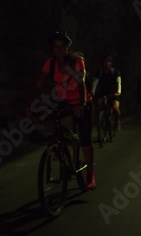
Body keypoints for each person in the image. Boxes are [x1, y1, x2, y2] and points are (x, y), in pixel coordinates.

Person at [26, 31, 95, 189]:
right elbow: (38, 85)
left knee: (85, 141)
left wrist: (81, 105)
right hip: (64, 101)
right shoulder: (50, 64)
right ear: (52, 49)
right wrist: (29, 104)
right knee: (50, 119)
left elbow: (81, 83)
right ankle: (58, 147)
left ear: (68, 48)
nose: (59, 50)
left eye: (62, 46)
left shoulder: (77, 61)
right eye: (55, 47)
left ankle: (90, 174)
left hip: (82, 101)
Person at [92, 55, 122, 131]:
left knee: (115, 108)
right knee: (98, 106)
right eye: (105, 61)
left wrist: (118, 91)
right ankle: (99, 122)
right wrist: (93, 91)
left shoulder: (115, 71)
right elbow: (95, 82)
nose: (106, 63)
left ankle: (117, 122)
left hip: (113, 93)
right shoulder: (99, 72)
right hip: (102, 92)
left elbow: (118, 82)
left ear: (111, 63)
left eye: (108, 61)